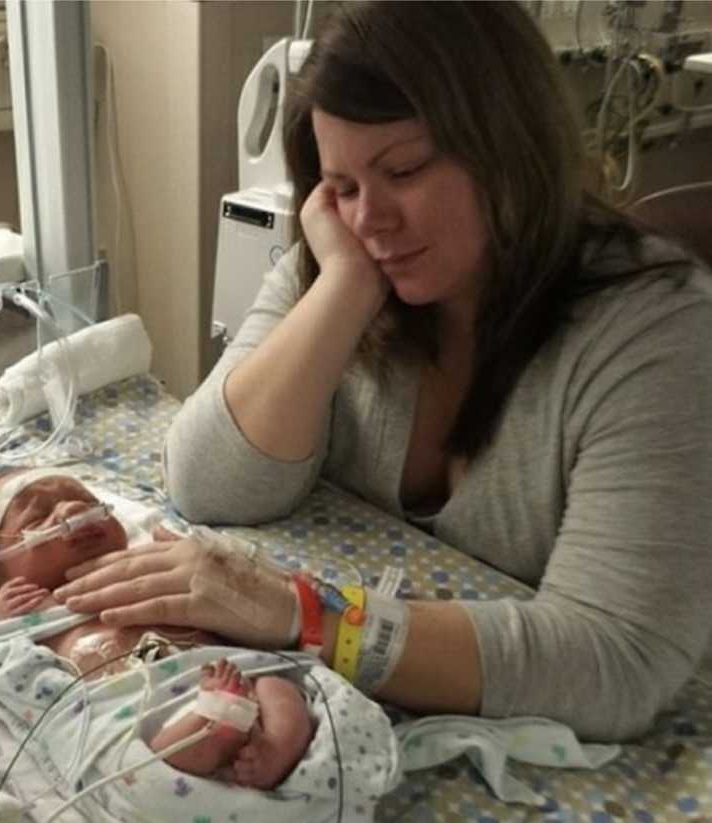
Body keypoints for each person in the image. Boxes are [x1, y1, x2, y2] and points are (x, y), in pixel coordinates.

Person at [54, 0, 712, 743]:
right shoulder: (345, 265)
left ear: (510, 147)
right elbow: (206, 484)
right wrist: (344, 290)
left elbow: (615, 661)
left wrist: (307, 614)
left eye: (401, 170)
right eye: (342, 187)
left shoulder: (655, 324)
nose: (369, 219)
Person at [0, 468, 313, 788]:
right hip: (139, 706)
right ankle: (206, 734)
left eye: (85, 500)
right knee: (139, 755)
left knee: (278, 683)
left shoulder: (156, 563)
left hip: (225, 673)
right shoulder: (30, 615)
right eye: (37, 518)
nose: (73, 511)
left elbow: (237, 604)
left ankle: (276, 747)